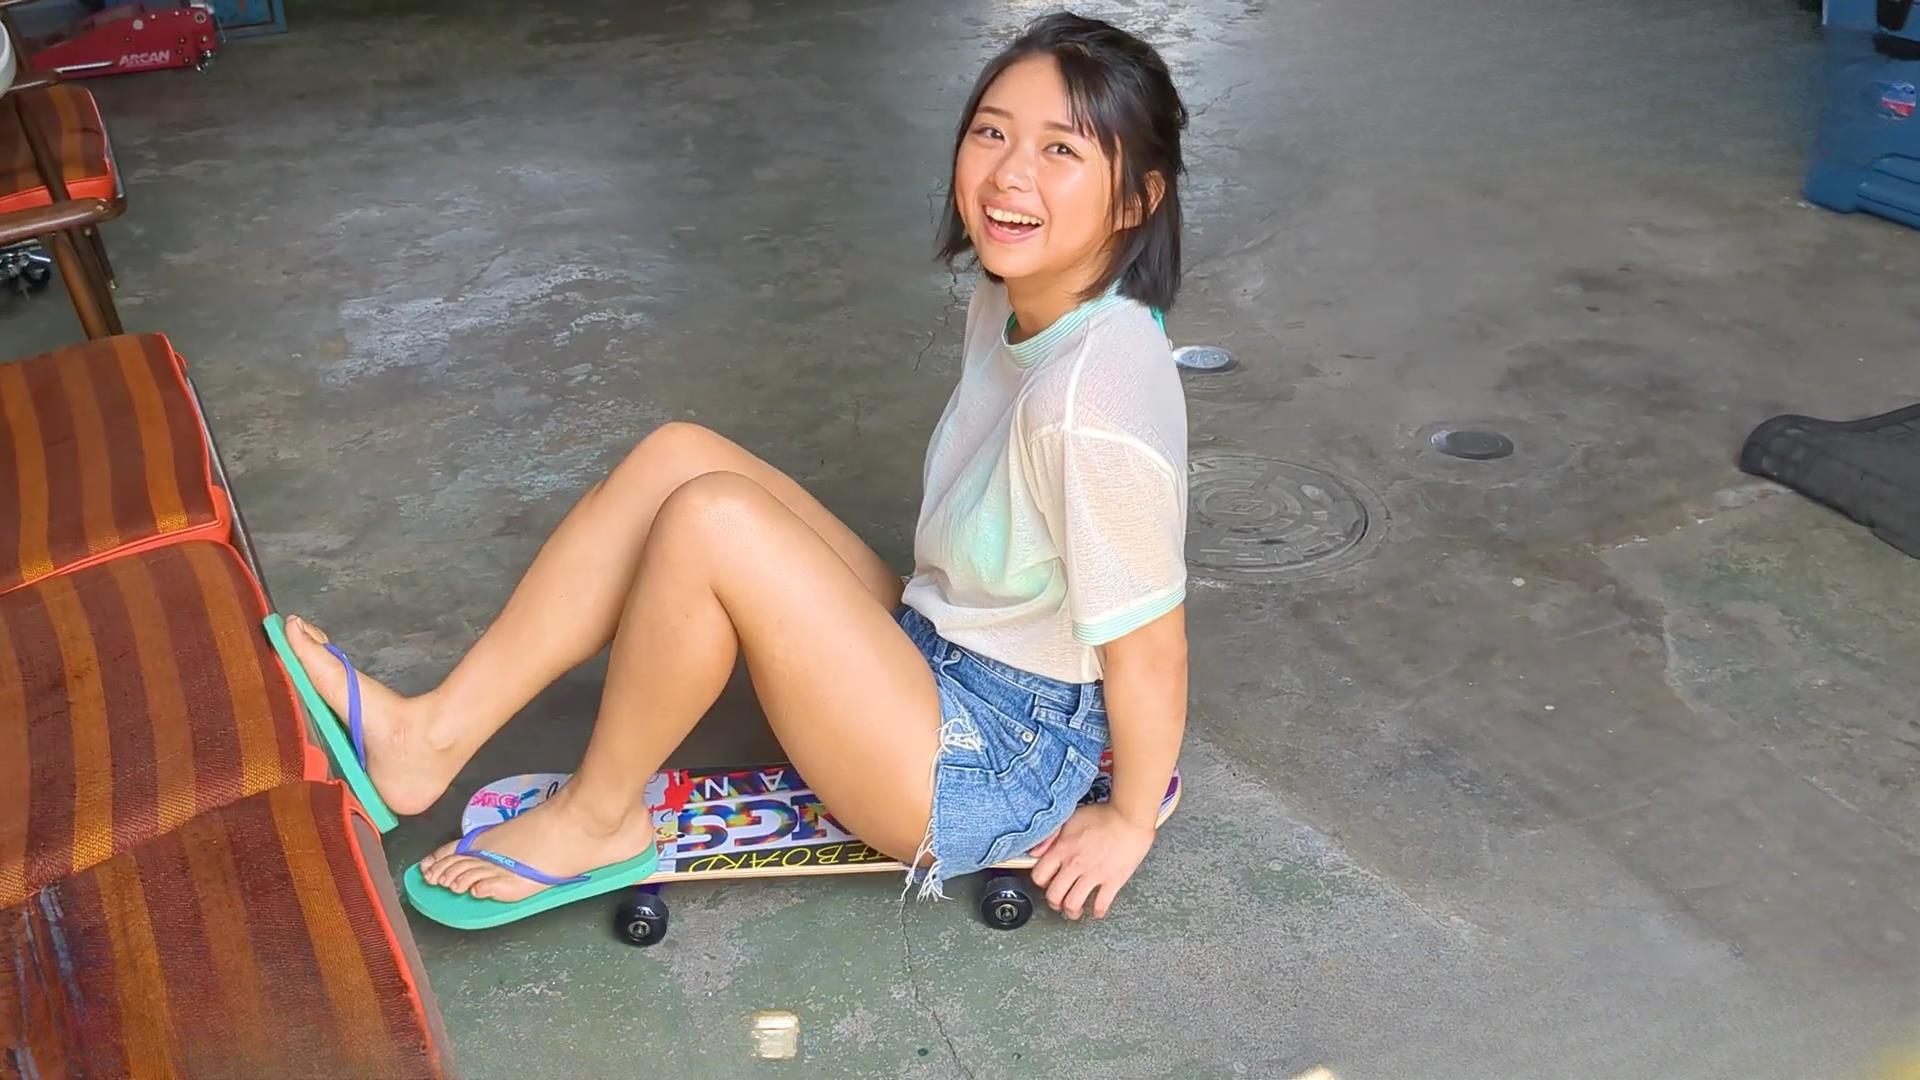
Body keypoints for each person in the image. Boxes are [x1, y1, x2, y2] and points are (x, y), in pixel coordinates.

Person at [276, 10, 1192, 928]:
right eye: (992, 132)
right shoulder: (1019, 292)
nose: (1008, 174)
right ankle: (429, 737)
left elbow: (1151, 648)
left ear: (1137, 200)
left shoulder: (1092, 404)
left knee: (712, 521)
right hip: (942, 641)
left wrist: (1127, 819)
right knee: (679, 455)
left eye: (1061, 150)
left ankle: (597, 819)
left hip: (987, 763)